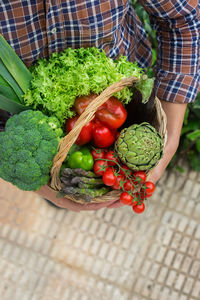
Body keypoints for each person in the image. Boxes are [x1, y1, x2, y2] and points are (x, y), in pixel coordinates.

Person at [0, 0, 199, 211]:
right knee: (70, 182)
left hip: (125, 102)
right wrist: (40, 185)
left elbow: (183, 19)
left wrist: (171, 138)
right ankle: (55, 200)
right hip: (25, 136)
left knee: (77, 178)